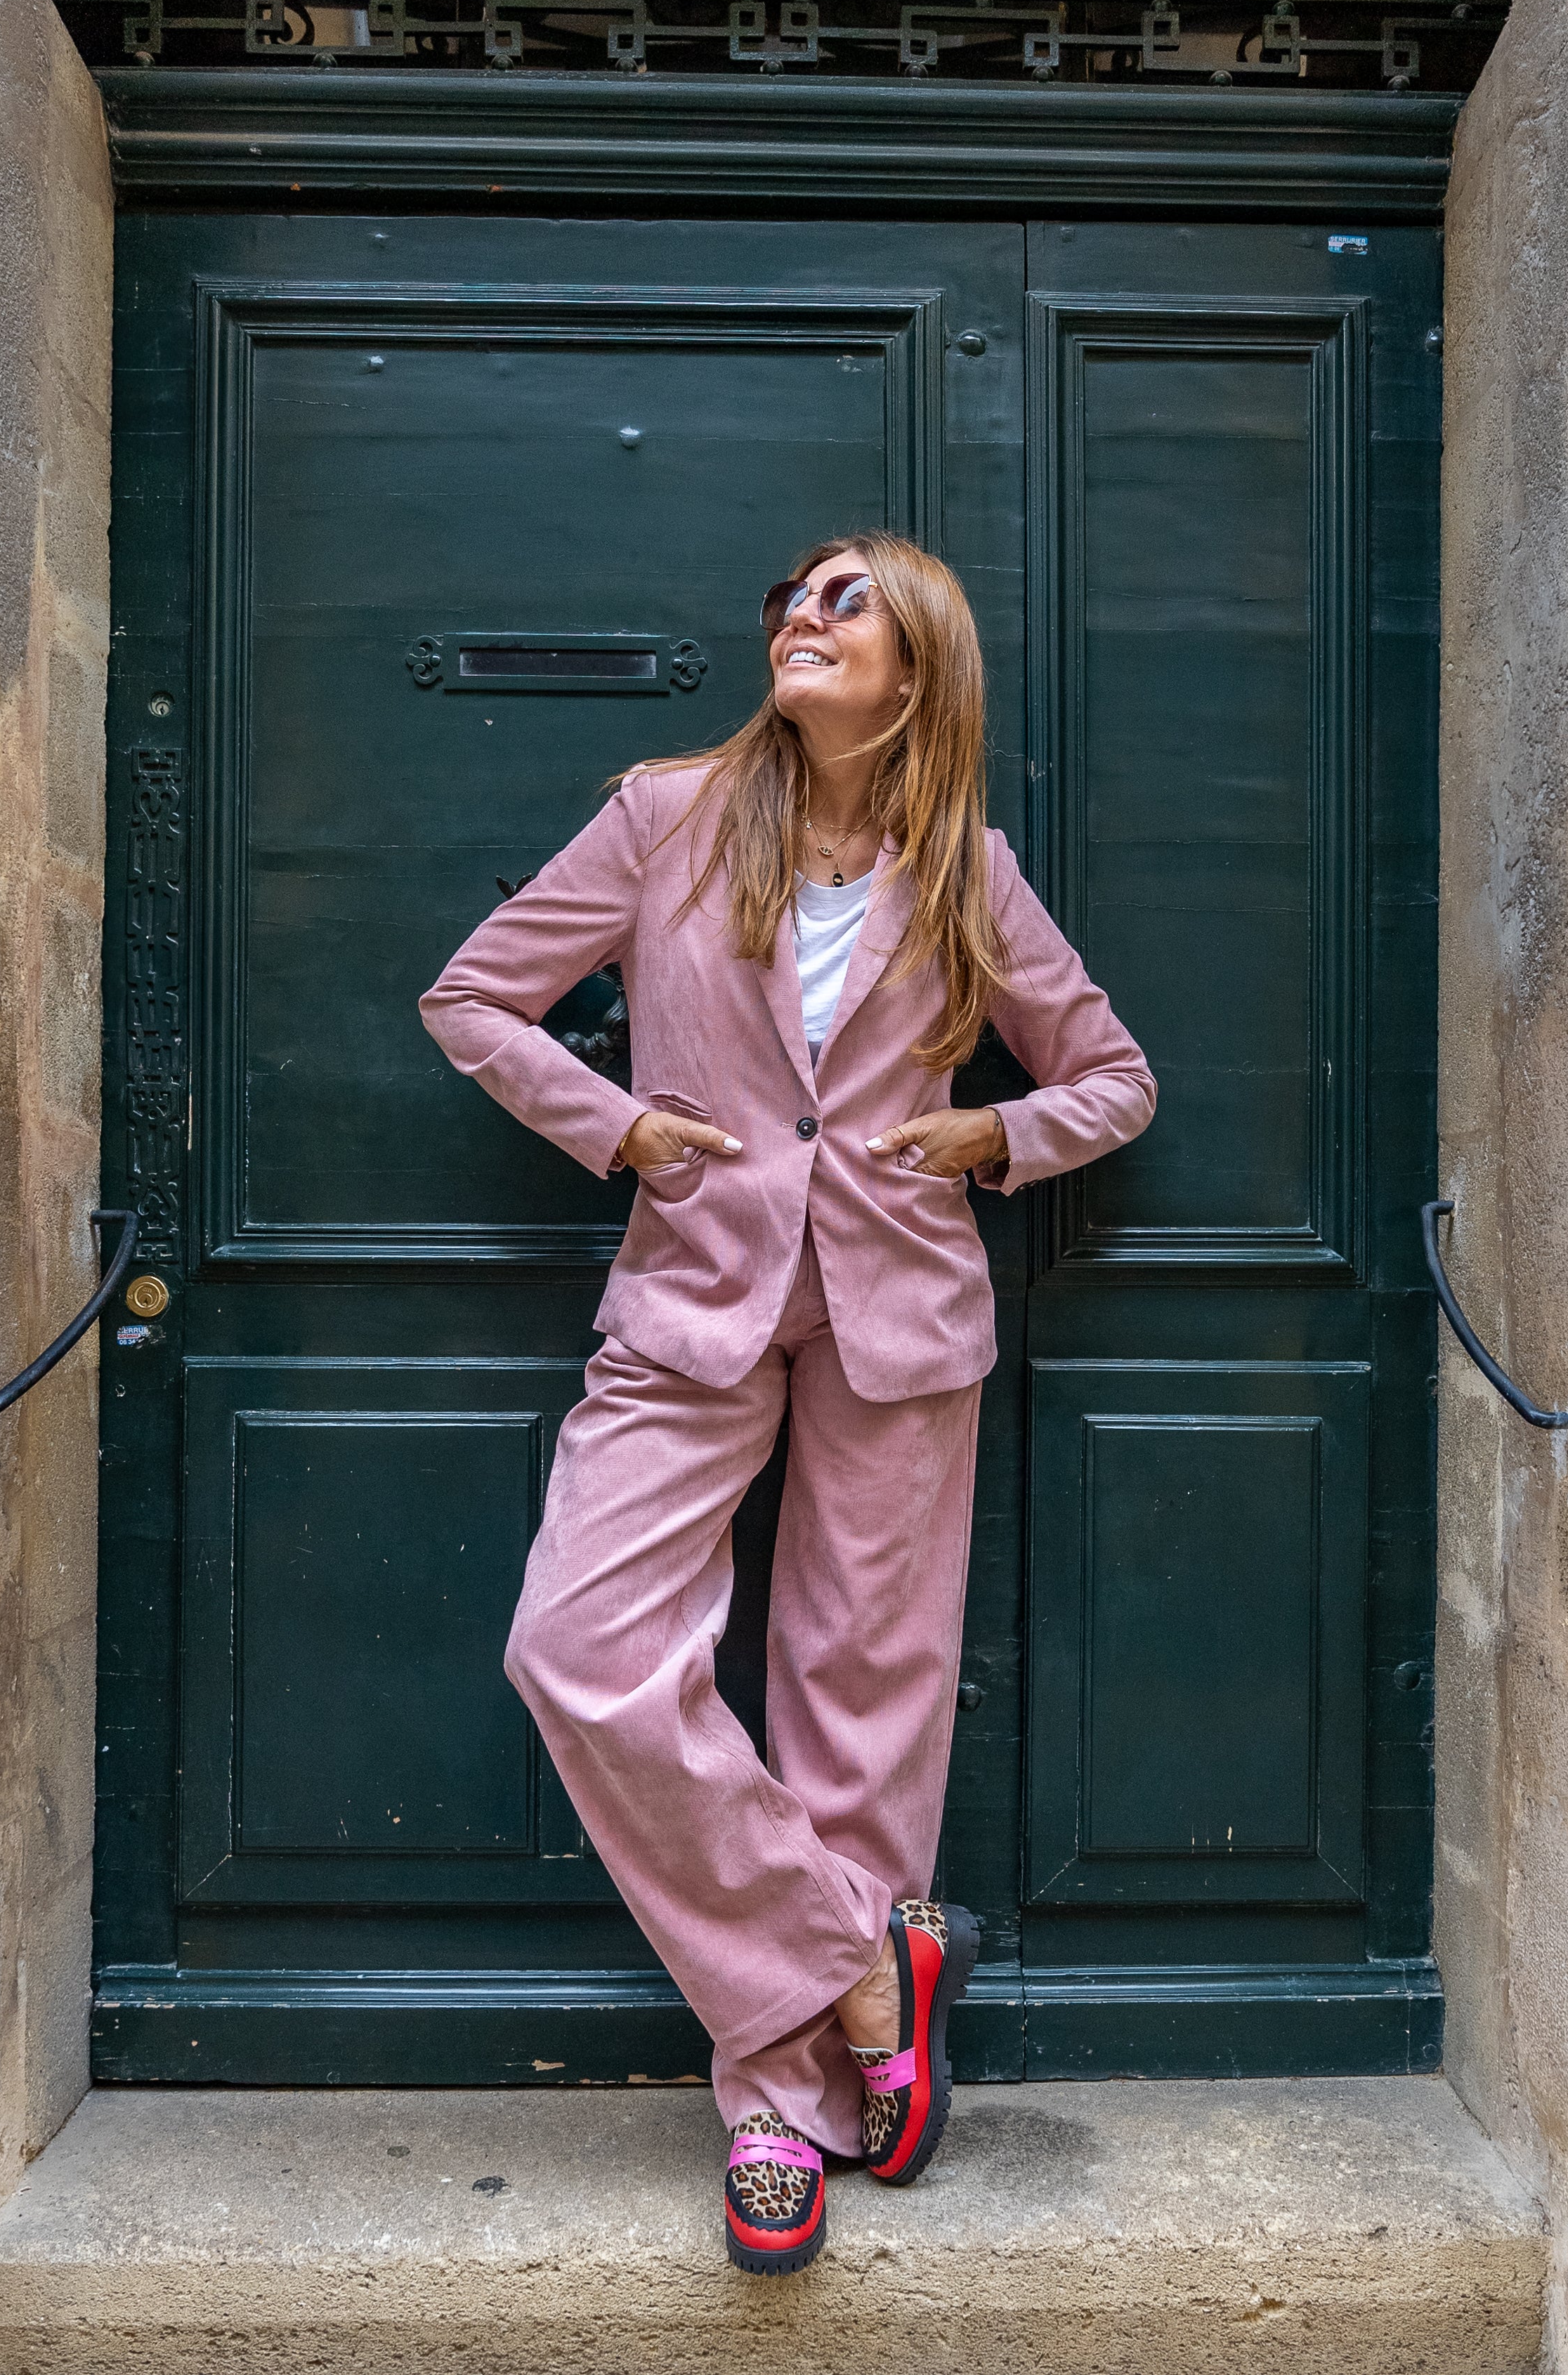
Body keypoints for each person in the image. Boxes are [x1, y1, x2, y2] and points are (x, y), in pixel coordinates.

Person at [421, 533, 1155, 2275]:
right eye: (791, 600)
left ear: (919, 665)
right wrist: (616, 1124)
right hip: (690, 1299)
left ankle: (783, 2105)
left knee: (860, 1697)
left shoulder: (965, 867)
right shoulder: (663, 819)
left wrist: (994, 1134)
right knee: (578, 1647)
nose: (799, 619)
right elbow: (474, 997)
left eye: (844, 601)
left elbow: (1113, 1079)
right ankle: (853, 1960)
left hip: (901, 1312)